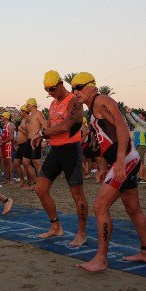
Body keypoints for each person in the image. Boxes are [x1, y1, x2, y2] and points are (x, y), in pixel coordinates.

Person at [70, 72, 146, 272]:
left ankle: (101, 259)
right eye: (73, 88)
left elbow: (122, 125)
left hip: (126, 159)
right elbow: (106, 140)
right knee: (133, 208)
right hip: (123, 160)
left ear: (92, 86)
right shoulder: (92, 109)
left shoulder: (101, 100)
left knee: (100, 207)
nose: (75, 92)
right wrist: (103, 167)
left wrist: (118, 161)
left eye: (80, 87)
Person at [30, 70, 88, 247]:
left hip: (71, 149)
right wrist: (42, 136)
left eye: (52, 89)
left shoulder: (74, 102)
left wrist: (42, 132)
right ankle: (55, 226)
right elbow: (50, 124)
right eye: (47, 90)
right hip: (55, 150)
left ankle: (82, 233)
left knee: (77, 194)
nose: (50, 93)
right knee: (40, 189)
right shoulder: (54, 103)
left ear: (61, 83)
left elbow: (65, 126)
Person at [125, 108, 146, 184]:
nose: (139, 117)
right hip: (137, 144)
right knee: (141, 162)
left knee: (140, 162)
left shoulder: (145, 124)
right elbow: (131, 119)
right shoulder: (137, 125)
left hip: (142, 144)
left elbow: (137, 119)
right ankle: (143, 178)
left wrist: (132, 112)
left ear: (144, 117)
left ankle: (141, 178)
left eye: (140, 116)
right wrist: (127, 113)